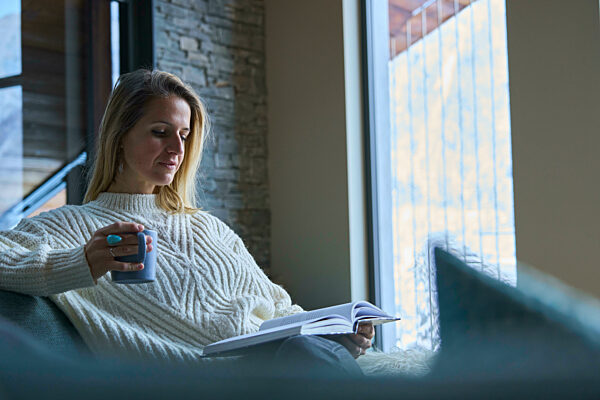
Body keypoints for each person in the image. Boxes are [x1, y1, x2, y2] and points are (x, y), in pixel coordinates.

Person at [0, 69, 373, 376]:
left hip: (283, 359)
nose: (177, 149)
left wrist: (337, 334)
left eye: (184, 135)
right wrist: (84, 262)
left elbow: (281, 309)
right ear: (119, 138)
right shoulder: (72, 226)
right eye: (160, 133)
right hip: (214, 378)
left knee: (309, 353)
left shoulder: (208, 228)